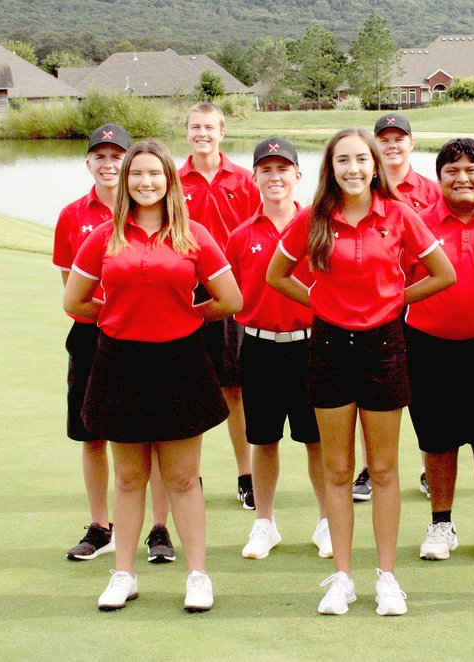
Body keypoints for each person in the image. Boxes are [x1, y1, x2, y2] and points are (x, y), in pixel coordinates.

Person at [266, 128, 455, 616]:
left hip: (384, 346)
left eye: (361, 160)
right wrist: (322, 304)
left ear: (375, 165)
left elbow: (442, 273)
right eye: (342, 161)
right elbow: (276, 275)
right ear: (330, 168)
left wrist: (393, 302)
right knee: (337, 469)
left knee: (386, 468)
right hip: (328, 345)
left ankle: (387, 578)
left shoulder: (398, 215)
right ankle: (343, 577)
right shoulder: (312, 219)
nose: (353, 169)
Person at [63, 140, 242, 612]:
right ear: (125, 182)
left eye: (155, 174)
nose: (146, 182)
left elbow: (230, 300)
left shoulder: (193, 235)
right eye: (136, 174)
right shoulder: (104, 235)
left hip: (180, 361)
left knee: (183, 477)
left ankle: (198, 576)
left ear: (169, 181)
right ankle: (123, 574)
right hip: (119, 362)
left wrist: (184, 312)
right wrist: (118, 312)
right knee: (128, 477)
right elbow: (75, 301)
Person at [53, 124, 175, 565]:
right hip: (93, 334)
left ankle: (159, 529)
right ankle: (101, 526)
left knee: (160, 434)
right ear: (89, 163)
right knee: (92, 434)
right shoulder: (72, 215)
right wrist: (115, 314)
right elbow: (73, 290)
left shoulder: (162, 212)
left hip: (149, 338)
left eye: (116, 156)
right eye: (99, 157)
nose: (108, 164)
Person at [406, 138, 474, 563]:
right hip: (428, 345)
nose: (462, 178)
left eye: (472, 169)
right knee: (437, 440)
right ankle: (441, 523)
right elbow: (399, 280)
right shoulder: (417, 222)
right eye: (452, 170)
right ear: (439, 178)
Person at [225, 138, 331, 560]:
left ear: (297, 176)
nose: (275, 177)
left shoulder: (317, 228)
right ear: (254, 178)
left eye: (283, 169)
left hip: (310, 347)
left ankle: (326, 521)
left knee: (316, 440)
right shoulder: (239, 236)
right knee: (263, 440)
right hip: (259, 347)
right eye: (266, 170)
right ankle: (264, 524)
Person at [352, 113, 442, 502]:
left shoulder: (431, 191)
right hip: (370, 313)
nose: (392, 145)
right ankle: (371, 469)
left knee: (421, 391)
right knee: (368, 392)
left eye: (398, 138)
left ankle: (427, 466)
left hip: (417, 305)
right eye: (384, 139)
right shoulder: (356, 189)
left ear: (411, 143)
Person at [179, 102, 260, 509]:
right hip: (183, 296)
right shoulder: (173, 182)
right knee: (187, 387)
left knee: (234, 389)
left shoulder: (245, 180)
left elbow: (254, 238)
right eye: (196, 127)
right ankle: (188, 475)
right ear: (187, 132)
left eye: (209, 127)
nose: (203, 134)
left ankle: (246, 475)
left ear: (222, 132)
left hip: (231, 297)